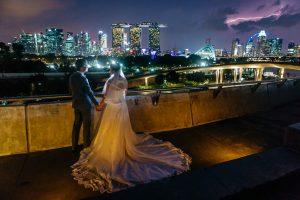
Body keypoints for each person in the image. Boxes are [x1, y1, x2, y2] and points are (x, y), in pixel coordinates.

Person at [71, 63, 191, 193]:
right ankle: (121, 147)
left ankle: (110, 150)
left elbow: (106, 97)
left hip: (112, 109)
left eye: (110, 69)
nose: (109, 70)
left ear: (112, 70)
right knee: (120, 129)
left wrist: (99, 106)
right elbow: (124, 94)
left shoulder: (110, 80)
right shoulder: (124, 80)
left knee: (108, 129)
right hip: (122, 108)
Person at [69, 59, 100, 152]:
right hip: (85, 105)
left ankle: (74, 146)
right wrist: (96, 103)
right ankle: (86, 146)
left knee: (76, 126)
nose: (88, 67)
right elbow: (89, 92)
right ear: (82, 67)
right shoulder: (83, 78)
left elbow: (70, 91)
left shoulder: (72, 76)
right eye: (86, 66)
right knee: (86, 127)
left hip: (76, 104)